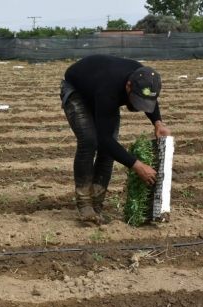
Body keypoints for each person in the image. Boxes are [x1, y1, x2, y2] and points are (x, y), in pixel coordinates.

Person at [60, 54, 171, 223]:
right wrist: (137, 165)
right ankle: (85, 204)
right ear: (128, 86)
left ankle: (96, 204)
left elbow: (149, 97)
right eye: (136, 101)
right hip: (78, 91)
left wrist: (157, 122)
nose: (137, 107)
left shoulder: (145, 78)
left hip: (99, 88)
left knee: (108, 152)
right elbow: (104, 140)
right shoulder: (109, 89)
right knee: (90, 141)